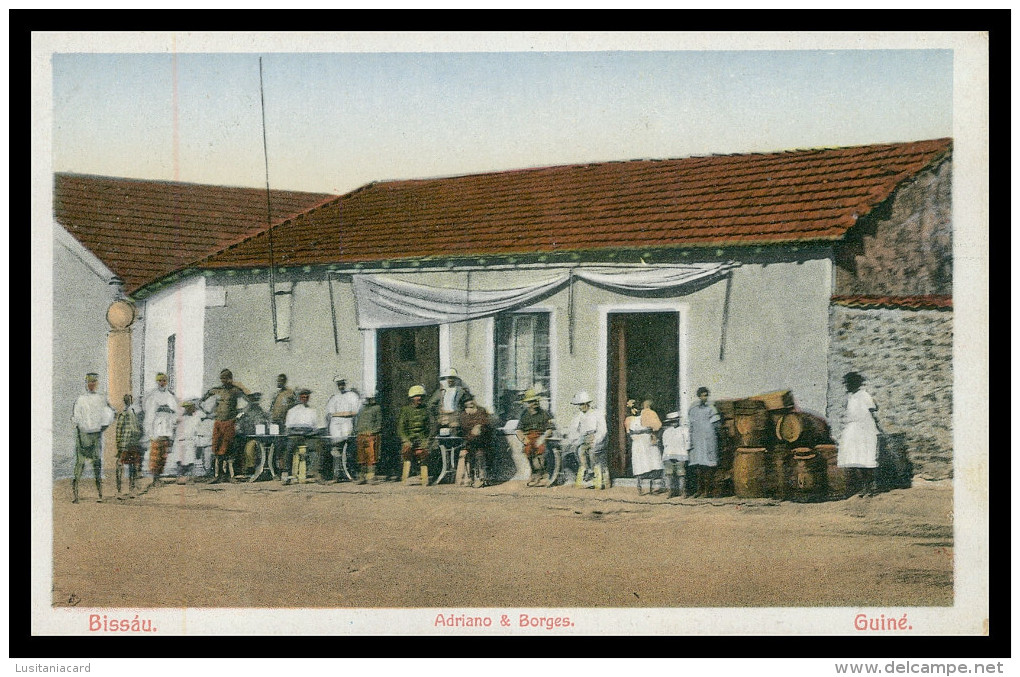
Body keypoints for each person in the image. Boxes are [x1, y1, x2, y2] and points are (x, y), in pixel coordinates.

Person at [70, 373, 115, 503]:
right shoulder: (80, 399)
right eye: (89, 382)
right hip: (83, 435)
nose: (91, 385)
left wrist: (102, 428)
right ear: (86, 383)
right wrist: (81, 428)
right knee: (79, 464)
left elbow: (110, 414)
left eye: (94, 382)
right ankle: (76, 496)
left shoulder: (101, 399)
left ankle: (100, 494)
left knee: (97, 464)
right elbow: (76, 418)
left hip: (96, 435)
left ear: (97, 383)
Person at [837, 371, 882, 498]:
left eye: (848, 384)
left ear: (854, 384)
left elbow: (873, 409)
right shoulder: (850, 398)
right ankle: (862, 487)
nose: (847, 387)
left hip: (865, 428)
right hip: (854, 428)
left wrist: (877, 427)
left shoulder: (864, 395)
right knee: (855, 458)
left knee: (866, 457)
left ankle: (870, 487)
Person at [201, 368, 248, 483]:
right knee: (216, 448)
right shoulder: (216, 391)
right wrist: (208, 413)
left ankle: (230, 476)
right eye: (222, 378)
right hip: (218, 422)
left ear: (231, 379)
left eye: (226, 378)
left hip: (229, 422)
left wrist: (239, 415)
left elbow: (248, 402)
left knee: (228, 449)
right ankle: (217, 476)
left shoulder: (236, 391)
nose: (224, 380)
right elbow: (202, 401)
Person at [565, 390, 609, 490]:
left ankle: (596, 473)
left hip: (596, 438)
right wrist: (578, 438)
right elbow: (573, 429)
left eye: (581, 404)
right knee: (580, 451)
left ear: (586, 404)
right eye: (579, 405)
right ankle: (588, 471)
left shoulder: (597, 414)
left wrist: (596, 439)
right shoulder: (579, 416)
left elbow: (603, 430)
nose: (580, 407)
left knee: (593, 452)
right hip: (584, 438)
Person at [143, 372, 179, 490]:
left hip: (167, 429)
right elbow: (149, 415)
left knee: (163, 455)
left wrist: (173, 424)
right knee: (155, 456)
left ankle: (159, 477)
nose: (162, 383)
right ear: (157, 382)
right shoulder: (153, 396)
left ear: (166, 382)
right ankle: (155, 478)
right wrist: (150, 431)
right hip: (157, 429)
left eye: (164, 380)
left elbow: (175, 413)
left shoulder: (170, 396)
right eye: (160, 381)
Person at [515, 388, 555, 486]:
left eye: (535, 401)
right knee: (528, 450)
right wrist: (523, 439)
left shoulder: (544, 413)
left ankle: (543, 475)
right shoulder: (524, 415)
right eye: (532, 402)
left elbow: (550, 429)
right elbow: (519, 430)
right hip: (529, 437)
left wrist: (542, 438)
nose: (534, 403)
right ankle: (534, 474)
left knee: (540, 452)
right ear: (528, 404)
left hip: (541, 436)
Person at [325, 377, 361, 483]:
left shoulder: (352, 396)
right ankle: (337, 475)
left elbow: (355, 412)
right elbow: (330, 412)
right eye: (339, 384)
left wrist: (343, 414)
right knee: (336, 449)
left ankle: (351, 474)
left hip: (347, 423)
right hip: (335, 424)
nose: (341, 386)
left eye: (342, 384)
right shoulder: (334, 398)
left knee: (347, 448)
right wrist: (342, 413)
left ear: (345, 384)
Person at [688, 386, 721, 498]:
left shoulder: (711, 408)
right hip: (697, 440)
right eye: (702, 395)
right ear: (698, 396)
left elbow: (716, 425)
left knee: (707, 466)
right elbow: (691, 426)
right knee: (698, 467)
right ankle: (699, 490)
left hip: (708, 439)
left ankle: (707, 491)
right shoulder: (693, 409)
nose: (704, 397)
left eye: (706, 395)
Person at [283, 388, 320, 485]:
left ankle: (314, 472)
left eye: (306, 397)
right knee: (289, 448)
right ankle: (287, 474)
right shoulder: (292, 411)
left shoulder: (312, 411)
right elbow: (288, 427)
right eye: (303, 397)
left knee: (315, 448)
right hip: (295, 434)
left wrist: (309, 433)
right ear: (299, 398)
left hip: (308, 435)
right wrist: (297, 432)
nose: (305, 398)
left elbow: (315, 427)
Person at [628, 398, 664, 495]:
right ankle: (640, 487)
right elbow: (629, 431)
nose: (635, 410)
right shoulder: (630, 419)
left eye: (636, 408)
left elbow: (656, 426)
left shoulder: (648, 414)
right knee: (640, 464)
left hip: (647, 442)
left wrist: (651, 433)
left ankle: (651, 487)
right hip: (638, 443)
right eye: (633, 408)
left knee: (652, 463)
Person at [398, 384, 432, 486]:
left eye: (421, 396)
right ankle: (405, 479)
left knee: (424, 454)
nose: (419, 398)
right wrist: (406, 440)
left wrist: (427, 440)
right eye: (417, 396)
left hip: (422, 440)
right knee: (406, 451)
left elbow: (431, 426)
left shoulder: (426, 409)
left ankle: (424, 479)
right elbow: (401, 428)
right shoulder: (405, 410)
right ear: (412, 398)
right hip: (409, 439)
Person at [460, 396, 495, 488]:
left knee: (480, 454)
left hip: (483, 441)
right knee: (468, 454)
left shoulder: (481, 411)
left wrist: (478, 426)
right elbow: (464, 427)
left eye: (471, 400)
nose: (469, 403)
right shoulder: (464, 415)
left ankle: (482, 478)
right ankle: (471, 478)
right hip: (470, 442)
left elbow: (483, 424)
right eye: (467, 402)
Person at [114, 393, 144, 499]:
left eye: (130, 399)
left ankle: (132, 490)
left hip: (133, 443)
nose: (128, 401)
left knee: (133, 467)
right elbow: (118, 430)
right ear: (125, 401)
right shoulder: (123, 414)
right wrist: (118, 445)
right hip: (124, 444)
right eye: (127, 399)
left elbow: (137, 428)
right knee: (120, 466)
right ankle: (119, 491)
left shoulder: (134, 412)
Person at [428, 368, 473, 435]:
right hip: (443, 416)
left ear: (455, 379)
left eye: (452, 378)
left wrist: (464, 412)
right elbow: (430, 404)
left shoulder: (461, 391)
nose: (450, 380)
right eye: (448, 378)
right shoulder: (440, 392)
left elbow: (468, 403)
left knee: (455, 434)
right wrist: (437, 414)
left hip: (456, 417)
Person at [234, 392, 269, 477]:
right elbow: (238, 424)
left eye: (256, 398)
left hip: (257, 437)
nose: (254, 400)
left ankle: (250, 469)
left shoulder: (261, 411)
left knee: (251, 446)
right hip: (243, 436)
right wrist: (239, 430)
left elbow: (264, 424)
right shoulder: (244, 411)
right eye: (252, 398)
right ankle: (239, 471)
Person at [354, 392, 383, 484]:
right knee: (361, 456)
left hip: (371, 435)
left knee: (372, 455)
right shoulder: (361, 409)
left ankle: (371, 476)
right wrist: (358, 431)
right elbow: (358, 421)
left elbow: (379, 422)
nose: (368, 400)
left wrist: (374, 431)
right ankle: (362, 476)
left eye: (370, 398)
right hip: (361, 434)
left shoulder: (377, 408)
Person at [660, 412, 690, 499]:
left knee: (681, 474)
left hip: (680, 454)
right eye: (672, 421)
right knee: (669, 474)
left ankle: (683, 491)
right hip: (669, 454)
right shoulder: (666, 432)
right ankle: (670, 491)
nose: (674, 423)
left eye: (676, 421)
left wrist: (686, 452)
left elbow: (687, 442)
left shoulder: (684, 430)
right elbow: (664, 444)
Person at [170, 400, 202, 481]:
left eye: (189, 407)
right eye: (186, 407)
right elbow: (172, 426)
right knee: (179, 460)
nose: (187, 409)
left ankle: (190, 478)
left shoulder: (196, 419)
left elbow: (198, 432)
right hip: (179, 441)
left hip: (190, 441)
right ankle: (180, 477)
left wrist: (198, 444)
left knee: (190, 460)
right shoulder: (178, 418)